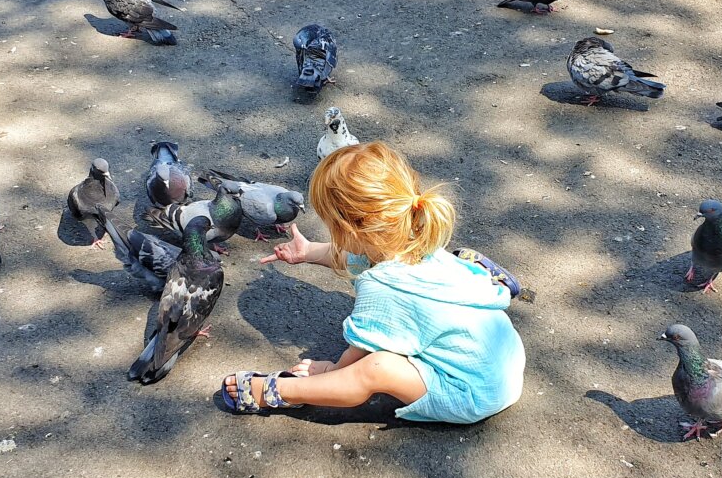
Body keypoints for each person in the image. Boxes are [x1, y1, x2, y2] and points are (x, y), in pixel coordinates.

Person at [221, 141, 525, 424]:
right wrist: (308, 251)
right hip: (505, 361)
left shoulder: (383, 288)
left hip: (472, 393)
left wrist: (333, 369)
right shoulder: (415, 239)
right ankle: (472, 280)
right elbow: (357, 256)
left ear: (349, 228)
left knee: (377, 367)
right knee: (401, 306)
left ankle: (278, 392)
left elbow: (361, 352)